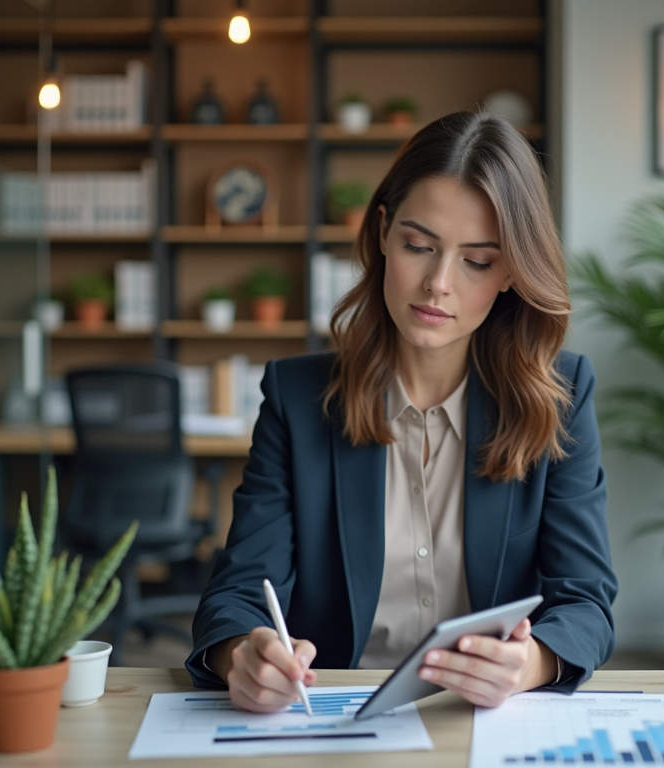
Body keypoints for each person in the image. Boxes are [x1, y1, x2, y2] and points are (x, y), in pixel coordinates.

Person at [186, 110, 616, 713]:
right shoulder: (297, 398)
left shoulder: (562, 394)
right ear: (383, 233)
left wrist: (527, 664)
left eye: (477, 260)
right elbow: (235, 594)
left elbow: (586, 602)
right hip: (329, 718)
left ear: (511, 273)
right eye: (419, 245)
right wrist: (245, 653)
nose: (437, 282)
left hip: (480, 721)